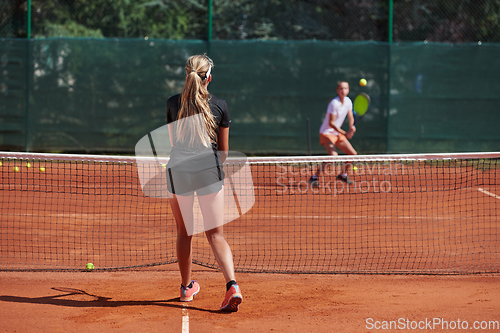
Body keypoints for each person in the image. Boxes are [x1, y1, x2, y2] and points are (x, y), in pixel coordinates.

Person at [165, 54, 242, 312]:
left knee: (184, 232)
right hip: (209, 172)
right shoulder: (220, 105)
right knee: (215, 234)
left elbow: (174, 144)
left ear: (186, 75)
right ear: (208, 77)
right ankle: (232, 285)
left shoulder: (172, 104)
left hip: (180, 171)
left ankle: (186, 289)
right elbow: (224, 151)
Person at [309, 81, 357, 187]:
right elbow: (331, 123)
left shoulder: (348, 101)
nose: (343, 91)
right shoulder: (334, 103)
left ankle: (343, 174)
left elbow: (350, 117)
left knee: (353, 154)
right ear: (337, 90)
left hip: (337, 133)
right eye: (341, 88)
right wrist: (345, 133)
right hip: (327, 133)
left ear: (348, 90)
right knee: (333, 156)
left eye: (345, 88)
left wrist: (351, 127)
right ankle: (315, 177)